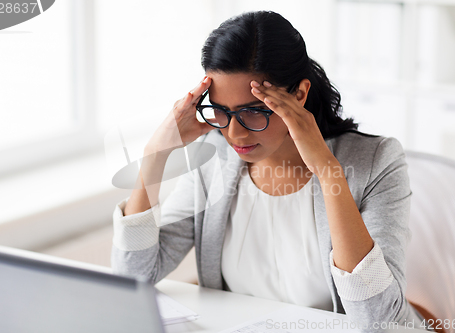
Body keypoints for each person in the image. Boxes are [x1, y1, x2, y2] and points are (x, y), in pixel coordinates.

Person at [111, 10, 428, 331]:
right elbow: (134, 276)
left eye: (253, 111)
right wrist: (154, 155)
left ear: (299, 94)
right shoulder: (215, 161)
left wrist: (328, 172)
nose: (234, 134)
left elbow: (380, 322)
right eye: (220, 112)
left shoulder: (375, 160)